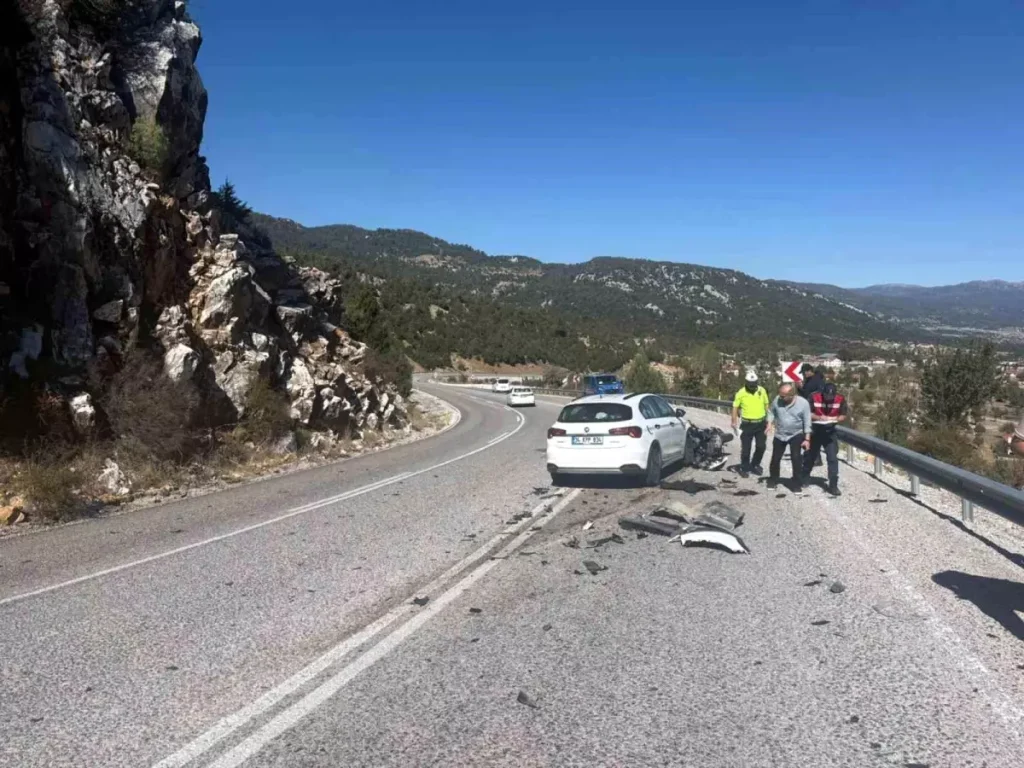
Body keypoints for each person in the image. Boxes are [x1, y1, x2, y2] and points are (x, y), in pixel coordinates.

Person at [802, 381, 848, 496]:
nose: (829, 399)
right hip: (816, 431)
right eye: (827, 396)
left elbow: (843, 415)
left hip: (830, 432)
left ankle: (833, 485)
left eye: (831, 397)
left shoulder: (840, 399)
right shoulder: (814, 397)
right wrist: (818, 417)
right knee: (811, 456)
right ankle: (805, 477)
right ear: (823, 393)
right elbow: (807, 413)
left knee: (832, 458)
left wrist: (835, 418)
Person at [767, 383, 812, 491]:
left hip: (796, 434)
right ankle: (773, 480)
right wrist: (769, 423)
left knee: (796, 458)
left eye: (783, 396)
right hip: (780, 434)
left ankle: (796, 484)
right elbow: (771, 412)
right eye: (780, 395)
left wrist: (807, 439)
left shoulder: (803, 403)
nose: (780, 398)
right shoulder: (777, 400)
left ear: (791, 395)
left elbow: (807, 421)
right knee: (775, 459)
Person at [731, 371, 770, 477]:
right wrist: (734, 421)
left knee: (761, 446)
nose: (753, 386)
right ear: (746, 382)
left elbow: (766, 406)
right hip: (747, 424)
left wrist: (770, 421)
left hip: (761, 423)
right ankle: (744, 467)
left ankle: (755, 464)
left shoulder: (762, 391)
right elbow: (735, 407)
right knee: (746, 449)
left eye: (754, 383)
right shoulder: (741, 393)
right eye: (750, 384)